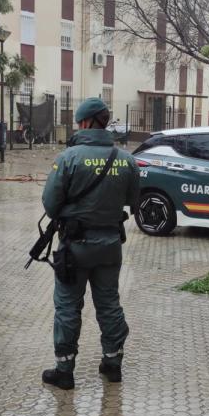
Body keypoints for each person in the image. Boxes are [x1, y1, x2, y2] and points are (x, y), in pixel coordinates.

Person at [41, 98, 140, 390]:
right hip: (110, 245)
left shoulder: (68, 158)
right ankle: (112, 364)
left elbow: (50, 205)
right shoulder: (127, 160)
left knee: (68, 306)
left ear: (85, 122)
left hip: (75, 248)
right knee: (109, 303)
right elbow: (133, 201)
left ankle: (64, 371)